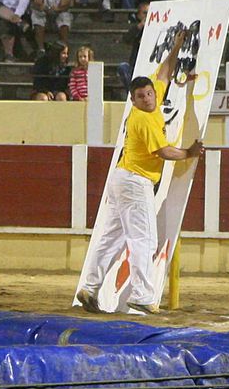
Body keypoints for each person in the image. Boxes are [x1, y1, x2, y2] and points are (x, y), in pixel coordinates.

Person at [76, 31, 203, 315]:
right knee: (143, 239)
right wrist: (189, 153)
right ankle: (144, 294)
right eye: (140, 97)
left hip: (122, 179)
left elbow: (166, 73)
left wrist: (177, 46)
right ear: (132, 102)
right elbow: (164, 152)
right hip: (135, 182)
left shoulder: (152, 98)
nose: (147, 98)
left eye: (148, 94)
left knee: (111, 238)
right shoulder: (143, 119)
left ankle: (90, 287)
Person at [117, 1, 148, 92]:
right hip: (135, 67)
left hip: (151, 67)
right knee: (123, 67)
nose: (148, 15)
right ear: (138, 16)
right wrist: (141, 25)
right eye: (145, 13)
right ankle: (132, 94)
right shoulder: (136, 29)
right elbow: (126, 39)